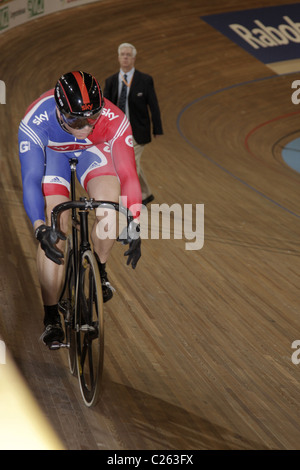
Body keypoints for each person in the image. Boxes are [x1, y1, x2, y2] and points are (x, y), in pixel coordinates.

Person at [18, 71, 142, 347]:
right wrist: (39, 227)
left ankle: (99, 268)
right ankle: (51, 317)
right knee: (56, 230)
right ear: (60, 111)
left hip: (92, 152)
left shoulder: (114, 119)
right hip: (53, 155)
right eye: (76, 120)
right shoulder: (36, 121)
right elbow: (31, 179)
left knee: (110, 212)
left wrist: (134, 221)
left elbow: (128, 175)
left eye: (92, 119)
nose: (85, 127)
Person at [104, 43, 163, 205]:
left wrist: (157, 127)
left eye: (128, 55)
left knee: (130, 164)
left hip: (137, 131)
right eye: (122, 54)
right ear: (118, 58)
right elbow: (105, 107)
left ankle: (130, 199)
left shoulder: (145, 80)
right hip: (118, 132)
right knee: (133, 164)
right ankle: (145, 194)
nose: (125, 57)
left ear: (134, 59)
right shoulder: (111, 81)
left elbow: (154, 105)